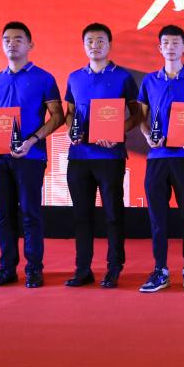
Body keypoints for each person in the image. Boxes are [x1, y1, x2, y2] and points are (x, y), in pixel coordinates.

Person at [0, 22, 64, 288]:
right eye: (6, 39)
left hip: (30, 157)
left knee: (30, 214)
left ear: (30, 45)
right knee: (3, 215)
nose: (11, 44)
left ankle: (34, 269)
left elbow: (57, 116)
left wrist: (32, 140)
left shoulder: (44, 78)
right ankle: (7, 269)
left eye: (17, 39)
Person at [64, 23, 140, 288]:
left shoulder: (123, 77)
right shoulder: (74, 77)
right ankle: (83, 269)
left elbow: (137, 114)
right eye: (90, 41)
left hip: (110, 156)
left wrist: (118, 131)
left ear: (109, 45)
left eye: (100, 41)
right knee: (81, 215)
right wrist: (71, 130)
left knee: (113, 214)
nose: (94, 46)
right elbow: (70, 113)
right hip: (79, 157)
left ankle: (114, 268)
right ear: (83, 45)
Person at [137, 25, 184, 294]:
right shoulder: (149, 81)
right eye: (166, 43)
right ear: (160, 48)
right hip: (157, 157)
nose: (170, 47)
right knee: (157, 216)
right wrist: (148, 136)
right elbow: (142, 119)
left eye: (175, 42)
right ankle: (161, 270)